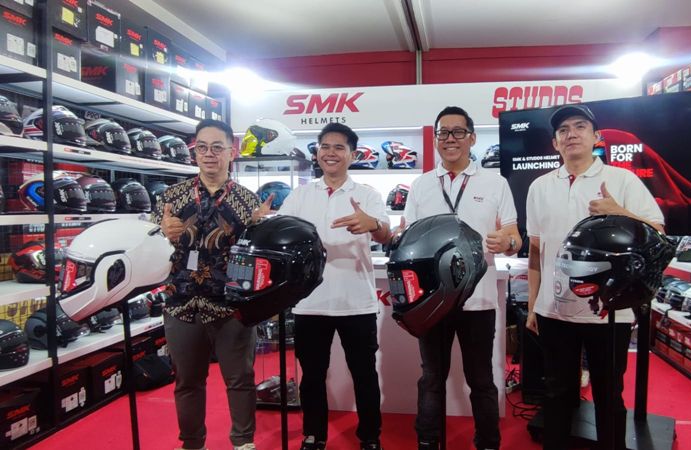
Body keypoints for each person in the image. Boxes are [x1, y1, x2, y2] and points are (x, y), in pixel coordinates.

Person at [525, 104, 665, 450]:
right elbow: (536, 252)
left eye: (579, 126)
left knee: (608, 393)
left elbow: (658, 232)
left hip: (609, 309)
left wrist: (620, 212)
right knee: (556, 392)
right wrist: (532, 305)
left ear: (596, 137)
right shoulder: (539, 186)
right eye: (563, 130)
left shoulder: (622, 180)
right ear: (555, 143)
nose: (571, 134)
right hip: (554, 309)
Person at [403, 106, 521, 450]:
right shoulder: (421, 184)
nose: (450, 138)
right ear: (436, 139)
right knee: (431, 378)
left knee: (481, 379)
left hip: (478, 299)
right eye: (443, 132)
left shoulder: (495, 183)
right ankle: (428, 441)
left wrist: (507, 243)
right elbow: (407, 235)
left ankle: (488, 443)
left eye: (458, 132)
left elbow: (514, 237)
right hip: (432, 300)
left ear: (472, 138)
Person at [152, 119, 271, 450]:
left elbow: (257, 255)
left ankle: (243, 442)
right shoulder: (171, 198)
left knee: (240, 379)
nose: (209, 154)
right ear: (195, 152)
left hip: (232, 304)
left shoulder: (249, 201)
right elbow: (149, 249)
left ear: (231, 152)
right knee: (187, 381)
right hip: (181, 301)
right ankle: (192, 443)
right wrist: (162, 233)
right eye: (202, 147)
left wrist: (259, 229)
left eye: (217, 147)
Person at [278, 122, 392, 450]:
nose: (331, 153)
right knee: (312, 375)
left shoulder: (367, 194)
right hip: (309, 302)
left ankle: (370, 436)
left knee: (364, 374)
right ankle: (314, 435)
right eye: (325, 146)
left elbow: (386, 234)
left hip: (357, 302)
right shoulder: (300, 195)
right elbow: (283, 235)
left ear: (352, 155)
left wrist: (373, 224)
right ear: (317, 152)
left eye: (339, 147)